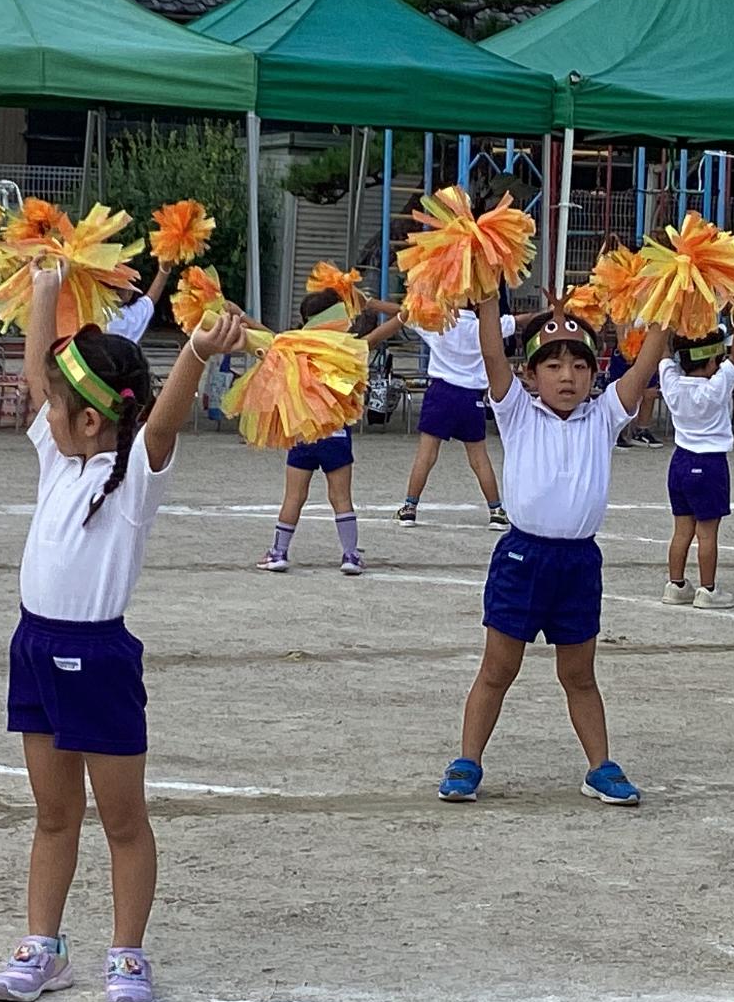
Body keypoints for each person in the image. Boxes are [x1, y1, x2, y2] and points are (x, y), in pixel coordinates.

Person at [0, 262, 246, 1002]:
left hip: (97, 659)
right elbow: (41, 373)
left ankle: (127, 953)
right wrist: (43, 290)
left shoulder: (132, 475)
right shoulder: (57, 455)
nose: (40, 409)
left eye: (59, 406)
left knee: (124, 819)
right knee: (53, 812)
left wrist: (194, 353)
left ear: (93, 420)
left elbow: (161, 420)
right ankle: (44, 945)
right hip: (34, 649)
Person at [436, 298, 667, 806]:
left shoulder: (605, 415)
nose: (569, 376)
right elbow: (493, 355)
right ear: (531, 374)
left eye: (581, 365)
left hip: (579, 564)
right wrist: (489, 298)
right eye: (555, 365)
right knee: (498, 670)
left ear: (595, 373)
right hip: (522, 559)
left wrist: (670, 301)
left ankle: (600, 767)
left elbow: (647, 361)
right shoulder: (516, 410)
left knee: (580, 675)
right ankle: (467, 762)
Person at [262, 292, 405, 575]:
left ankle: (279, 552)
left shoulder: (292, 347)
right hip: (336, 433)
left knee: (293, 497)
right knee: (341, 498)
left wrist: (236, 314)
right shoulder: (346, 348)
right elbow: (388, 328)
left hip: (304, 432)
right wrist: (392, 310)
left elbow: (264, 336)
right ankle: (350, 555)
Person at [397, 304, 545, 529]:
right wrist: (556, 311)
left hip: (440, 393)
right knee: (479, 458)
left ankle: (409, 508)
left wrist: (367, 302)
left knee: (426, 455)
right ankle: (496, 510)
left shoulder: (436, 323)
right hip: (470, 397)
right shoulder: (484, 327)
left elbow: (400, 313)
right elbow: (523, 319)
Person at [660, 321, 734, 608]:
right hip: (709, 464)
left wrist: (665, 319)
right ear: (712, 361)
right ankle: (708, 590)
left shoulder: (672, 383)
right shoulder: (715, 388)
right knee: (707, 532)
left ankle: (675, 585)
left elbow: (663, 355)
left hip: (680, 462)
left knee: (682, 530)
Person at [105, 263, 172, 345]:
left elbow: (150, 299)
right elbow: (151, 298)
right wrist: (164, 269)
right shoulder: (131, 316)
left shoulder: (91, 310)